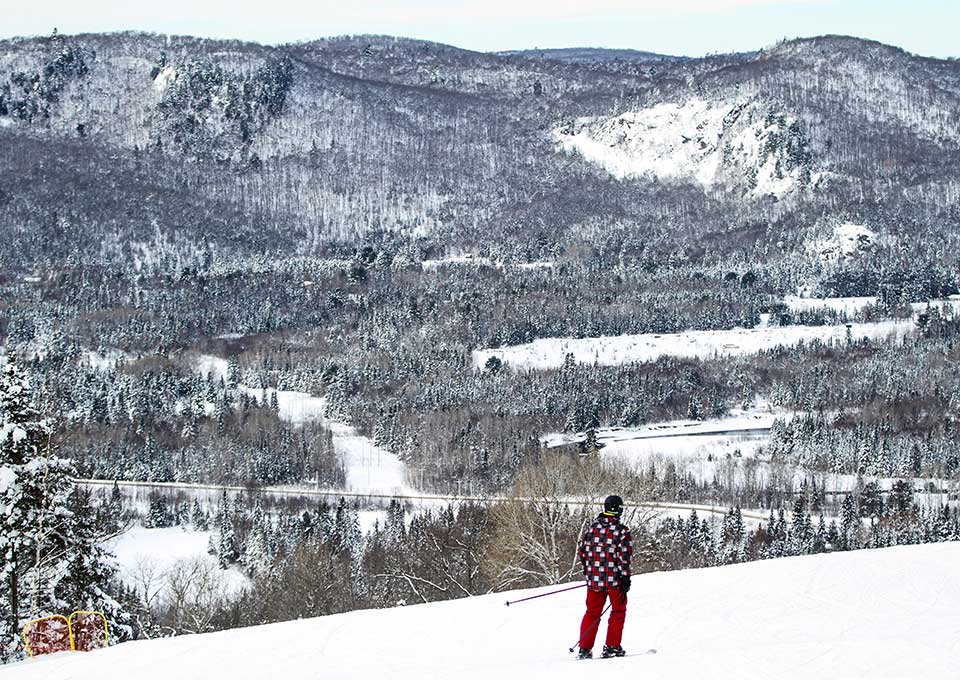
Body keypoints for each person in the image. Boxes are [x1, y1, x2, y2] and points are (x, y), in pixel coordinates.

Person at [576, 494, 632, 659]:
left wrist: (589, 574)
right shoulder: (622, 531)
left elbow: (583, 553)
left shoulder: (592, 528)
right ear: (618, 510)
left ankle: (585, 649)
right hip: (615, 581)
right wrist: (625, 578)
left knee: (592, 613)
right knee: (618, 611)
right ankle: (612, 646)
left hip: (594, 581)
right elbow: (624, 557)